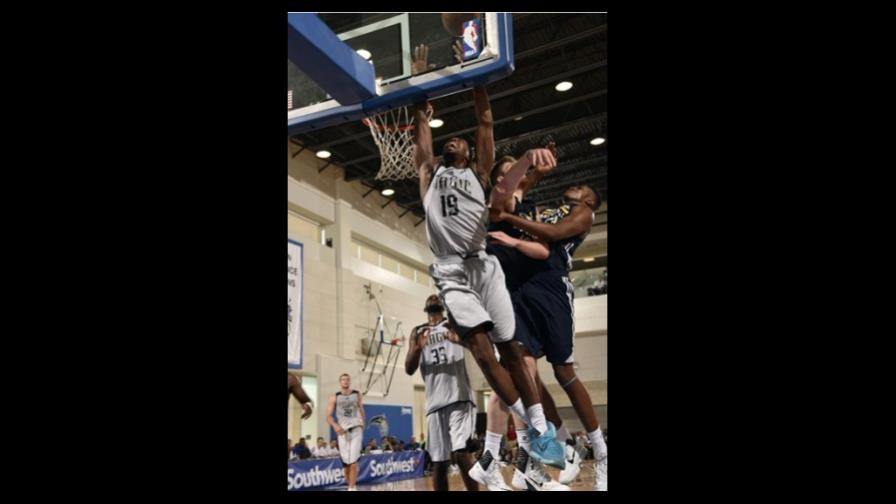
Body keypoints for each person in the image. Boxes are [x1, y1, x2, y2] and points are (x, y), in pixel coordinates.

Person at [411, 46, 566, 489]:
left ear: (467, 152)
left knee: (512, 350)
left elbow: (484, 123)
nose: (453, 140)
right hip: (450, 271)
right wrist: (420, 86)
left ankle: (537, 429)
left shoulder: (480, 174)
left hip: (484, 265)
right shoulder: (429, 174)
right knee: (480, 350)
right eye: (449, 139)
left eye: (458, 140)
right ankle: (530, 425)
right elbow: (420, 129)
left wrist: (478, 75)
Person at [405, 294, 479, 491]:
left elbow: (476, 347)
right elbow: (409, 368)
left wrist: (460, 341)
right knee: (439, 462)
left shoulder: (453, 325)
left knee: (461, 453)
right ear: (425, 307)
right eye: (429, 298)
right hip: (434, 403)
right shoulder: (418, 332)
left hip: (459, 397)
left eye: (436, 297)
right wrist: (417, 350)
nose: (432, 297)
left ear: (442, 305)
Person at [325, 373, 365, 491]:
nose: (345, 381)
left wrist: (363, 424)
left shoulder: (357, 394)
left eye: (347, 379)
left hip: (356, 429)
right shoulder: (334, 397)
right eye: (343, 379)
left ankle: (352, 488)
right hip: (342, 432)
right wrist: (334, 425)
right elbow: (328, 416)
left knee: (353, 462)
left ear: (350, 381)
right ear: (340, 382)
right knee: (346, 464)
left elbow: (362, 410)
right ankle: (351, 486)